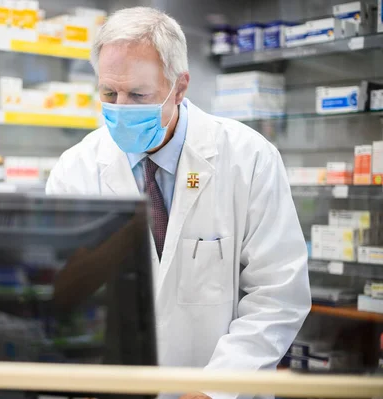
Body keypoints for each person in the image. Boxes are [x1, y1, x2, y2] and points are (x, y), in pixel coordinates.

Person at [45, 6, 311, 399]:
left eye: (138, 94)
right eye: (108, 93)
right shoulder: (76, 169)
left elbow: (278, 295)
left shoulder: (248, 157)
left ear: (180, 86)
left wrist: (212, 390)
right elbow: (61, 296)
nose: (120, 107)